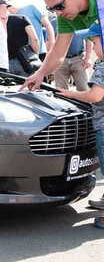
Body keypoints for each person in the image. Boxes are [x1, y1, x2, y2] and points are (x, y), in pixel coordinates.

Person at [20, 0, 104, 214]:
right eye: (51, 9)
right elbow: (58, 50)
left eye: (59, 6)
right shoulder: (68, 16)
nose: (57, 12)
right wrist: (39, 74)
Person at [56, 23, 104, 229]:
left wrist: (72, 93)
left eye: (94, 43)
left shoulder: (102, 65)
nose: (93, 48)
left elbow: (95, 95)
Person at [49, 14, 92, 91]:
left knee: (84, 88)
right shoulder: (53, 23)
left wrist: (88, 58)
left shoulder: (80, 21)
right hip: (60, 61)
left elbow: (88, 40)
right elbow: (50, 43)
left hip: (79, 59)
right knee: (60, 91)